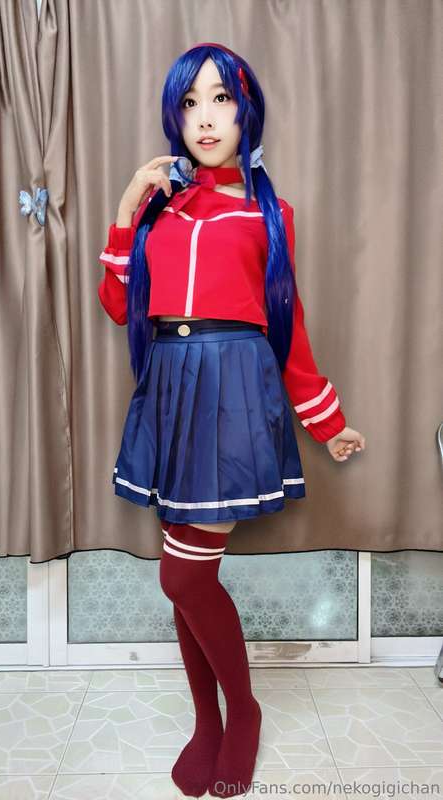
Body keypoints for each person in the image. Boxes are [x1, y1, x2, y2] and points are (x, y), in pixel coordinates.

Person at [98, 42, 365, 799]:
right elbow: (118, 304)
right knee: (188, 578)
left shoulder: (266, 211)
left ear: (246, 112)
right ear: (175, 118)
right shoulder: (162, 210)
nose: (205, 118)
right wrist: (127, 208)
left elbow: (288, 325)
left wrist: (326, 419)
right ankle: (207, 721)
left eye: (220, 99)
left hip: (234, 388)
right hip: (171, 388)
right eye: (190, 103)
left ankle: (240, 711)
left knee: (183, 574)